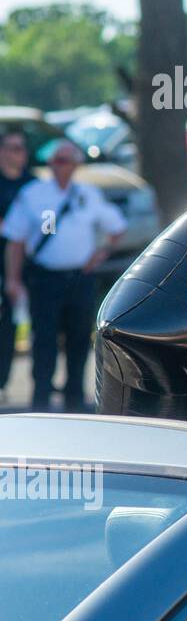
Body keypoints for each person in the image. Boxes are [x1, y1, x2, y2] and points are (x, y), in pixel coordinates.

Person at [3, 139, 126, 413]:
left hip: (79, 279)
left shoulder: (88, 195)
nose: (63, 167)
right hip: (44, 280)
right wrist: (12, 279)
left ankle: (74, 403)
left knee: (79, 339)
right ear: (50, 164)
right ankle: (41, 403)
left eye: (68, 161)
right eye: (58, 161)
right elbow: (15, 241)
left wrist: (100, 254)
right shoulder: (33, 194)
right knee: (44, 340)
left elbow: (117, 227)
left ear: (76, 165)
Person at [0, 130, 35, 402]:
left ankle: (4, 381)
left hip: (25, 264)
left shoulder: (34, 185)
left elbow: (49, 222)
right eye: (12, 148)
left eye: (21, 148)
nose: (17, 153)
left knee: (13, 322)